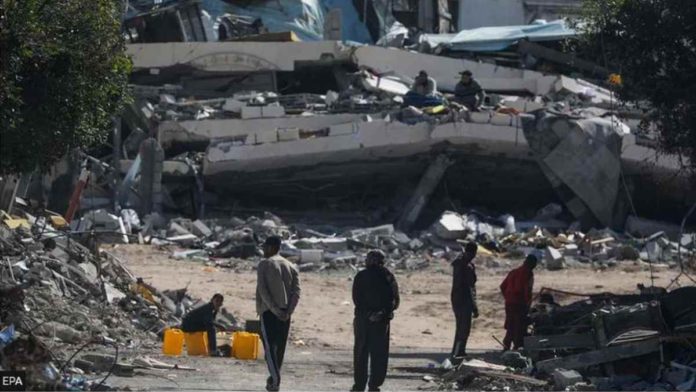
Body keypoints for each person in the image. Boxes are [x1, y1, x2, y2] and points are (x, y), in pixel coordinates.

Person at [256, 236, 301, 391]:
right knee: (279, 348)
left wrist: (274, 309)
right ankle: (273, 378)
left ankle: (275, 380)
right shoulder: (291, 265)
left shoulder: (264, 264)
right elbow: (296, 292)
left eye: (265, 247)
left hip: (269, 311)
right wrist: (288, 312)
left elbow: (263, 291)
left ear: (271, 247)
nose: (263, 250)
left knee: (269, 348)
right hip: (285, 313)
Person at [352, 250, 400, 392]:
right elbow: (395, 301)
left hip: (363, 321)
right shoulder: (388, 276)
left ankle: (359, 385)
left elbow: (357, 299)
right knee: (379, 354)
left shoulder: (361, 276)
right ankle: (375, 385)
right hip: (381, 322)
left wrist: (368, 314)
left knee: (361, 352)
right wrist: (381, 313)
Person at [499, 254, 538, 350]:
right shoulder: (528, 273)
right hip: (519, 303)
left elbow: (503, 286)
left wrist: (508, 297)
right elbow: (527, 291)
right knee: (519, 327)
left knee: (510, 325)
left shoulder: (513, 272)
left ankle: (506, 345)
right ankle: (517, 347)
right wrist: (527, 305)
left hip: (509, 303)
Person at [450, 242, 479, 359]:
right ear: (473, 252)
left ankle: (457, 351)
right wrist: (474, 307)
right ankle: (458, 352)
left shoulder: (458, 262)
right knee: (464, 328)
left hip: (456, 298)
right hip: (464, 300)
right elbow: (470, 288)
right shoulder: (467, 266)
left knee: (460, 327)